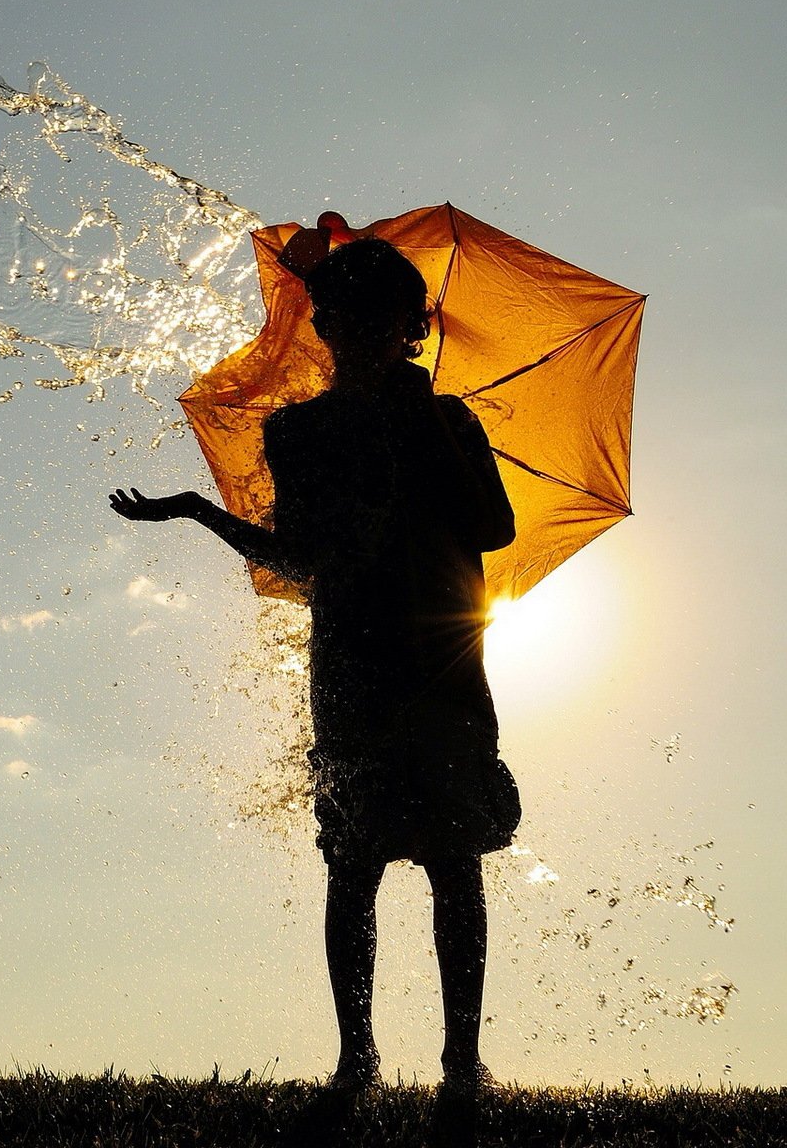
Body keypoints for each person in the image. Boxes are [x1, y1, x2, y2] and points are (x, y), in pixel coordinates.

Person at [109, 236, 519, 1094]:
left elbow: (494, 528)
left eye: (385, 323)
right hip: (358, 663)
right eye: (349, 320)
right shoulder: (297, 432)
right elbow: (295, 560)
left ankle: (460, 1060)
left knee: (454, 864)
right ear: (328, 327)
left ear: (411, 330)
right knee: (354, 864)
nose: (364, 336)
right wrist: (199, 513)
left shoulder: (450, 420)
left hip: (441, 663)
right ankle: (357, 1055)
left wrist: (423, 428)